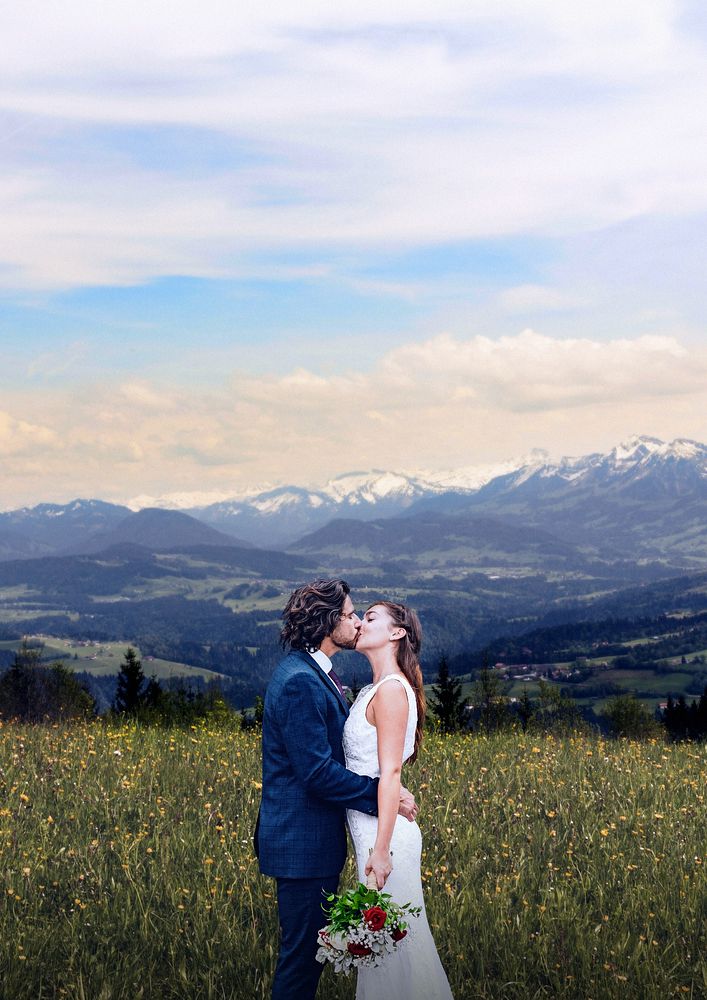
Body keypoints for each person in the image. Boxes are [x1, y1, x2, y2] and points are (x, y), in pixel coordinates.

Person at [255, 579, 419, 1000]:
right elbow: (316, 773)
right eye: (348, 615)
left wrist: (386, 789)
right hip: (301, 845)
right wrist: (383, 792)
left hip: (314, 843)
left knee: (309, 959)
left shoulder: (316, 674)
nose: (355, 621)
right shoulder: (300, 681)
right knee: (300, 963)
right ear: (328, 622)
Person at [344, 600, 454, 999]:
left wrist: (382, 851)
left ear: (396, 633)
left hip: (384, 838)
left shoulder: (391, 691)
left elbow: (390, 773)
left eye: (370, 618)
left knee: (396, 949)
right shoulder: (375, 689)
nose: (359, 623)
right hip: (372, 831)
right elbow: (375, 769)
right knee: (385, 950)